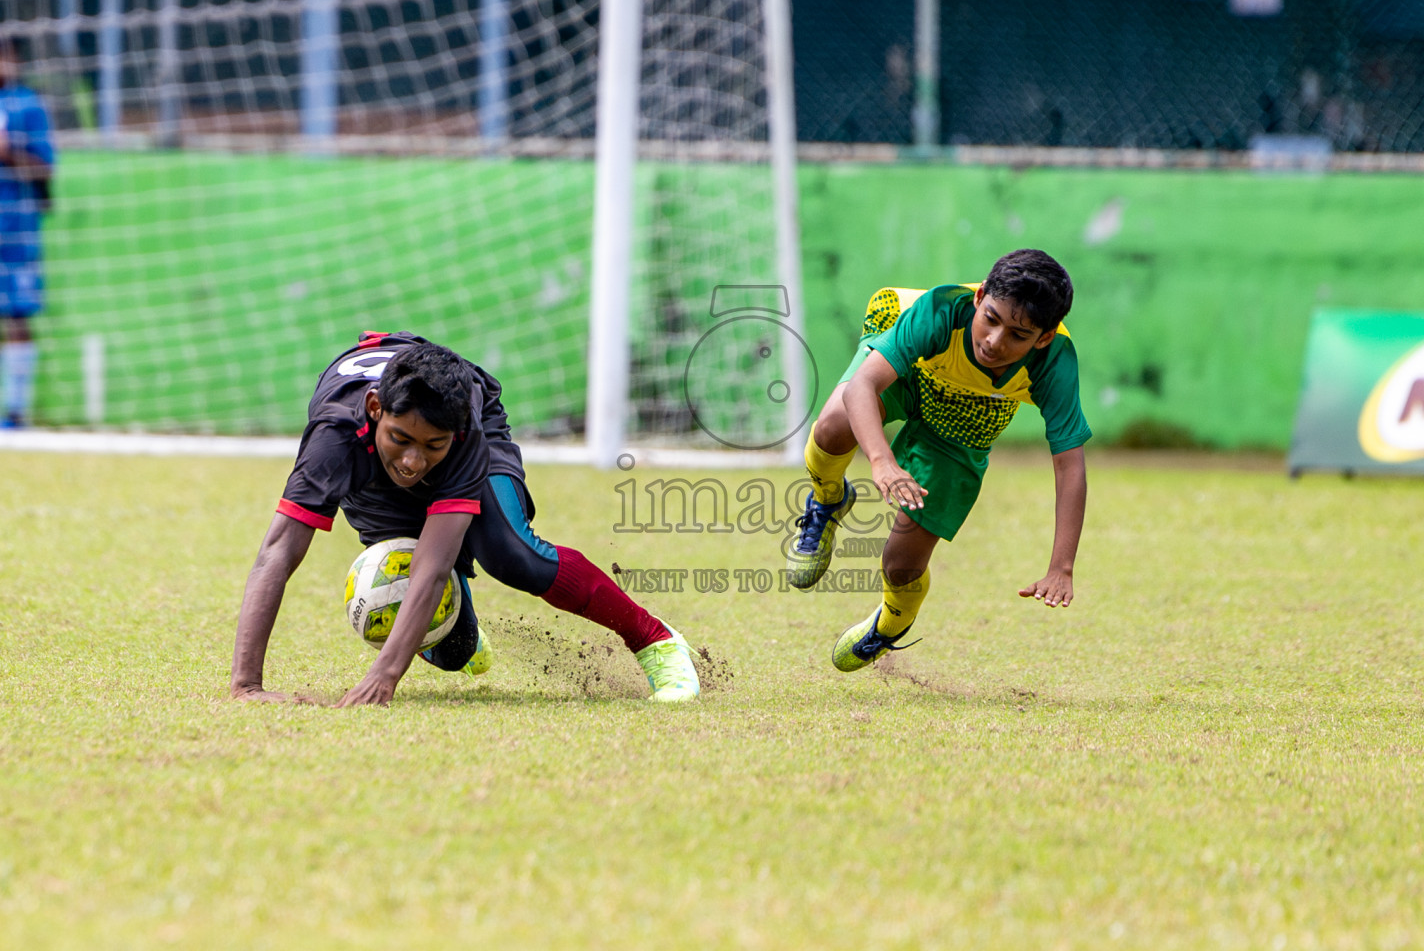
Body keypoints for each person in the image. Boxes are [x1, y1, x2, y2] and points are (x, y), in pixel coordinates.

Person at [231, 333, 701, 706]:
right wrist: (247, 686)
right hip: (371, 461)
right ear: (375, 410)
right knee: (454, 649)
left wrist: (384, 676)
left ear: (452, 435)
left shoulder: (462, 433)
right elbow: (278, 551)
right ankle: (462, 630)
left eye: (430, 446)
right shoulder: (334, 440)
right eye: (401, 439)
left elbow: (433, 566)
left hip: (473, 430)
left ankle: (656, 641)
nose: (413, 462)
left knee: (510, 553)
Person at [784, 249, 1090, 671]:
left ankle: (891, 623)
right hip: (912, 372)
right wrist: (881, 460)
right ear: (980, 297)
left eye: (1018, 335)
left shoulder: (1055, 362)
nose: (994, 342)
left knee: (901, 564)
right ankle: (828, 499)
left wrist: (1062, 567)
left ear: (1043, 337)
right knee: (835, 423)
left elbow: (1070, 465)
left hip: (971, 418)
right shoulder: (941, 311)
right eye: (991, 318)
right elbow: (862, 388)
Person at [0, 38, 54, 428]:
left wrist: (8, 152)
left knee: (17, 317)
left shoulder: (27, 105)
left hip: (15, 228)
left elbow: (45, 169)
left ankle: (16, 412)